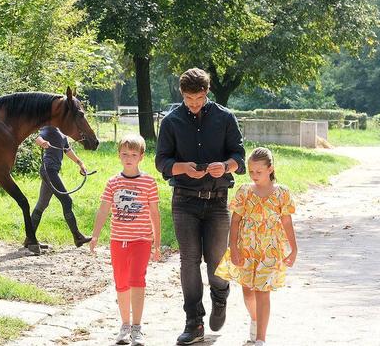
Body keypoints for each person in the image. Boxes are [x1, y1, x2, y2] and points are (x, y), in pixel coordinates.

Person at [155, 67, 246, 345]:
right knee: (189, 261)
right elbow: (162, 162)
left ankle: (220, 296)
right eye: (188, 99)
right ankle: (193, 322)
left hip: (218, 202)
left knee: (216, 263)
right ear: (182, 94)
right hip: (184, 202)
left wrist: (225, 166)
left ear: (206, 93)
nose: (193, 105)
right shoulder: (170, 122)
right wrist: (182, 167)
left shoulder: (225, 118)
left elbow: (239, 158)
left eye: (198, 99)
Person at [215, 147, 297, 346]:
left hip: (269, 249)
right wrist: (233, 248)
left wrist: (293, 249)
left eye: (258, 172)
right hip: (247, 248)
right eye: (251, 171)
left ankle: (261, 338)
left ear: (270, 169)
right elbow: (235, 221)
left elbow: (286, 222)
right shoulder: (244, 191)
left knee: (263, 291)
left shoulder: (282, 193)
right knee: (248, 292)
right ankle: (255, 319)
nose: (254, 176)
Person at [90, 134, 162, 346]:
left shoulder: (149, 182)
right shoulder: (113, 182)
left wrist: (156, 242)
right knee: (121, 283)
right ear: (119, 155)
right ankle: (125, 325)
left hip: (141, 240)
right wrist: (95, 234)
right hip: (117, 240)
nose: (128, 158)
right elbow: (103, 209)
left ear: (141, 156)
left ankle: (137, 328)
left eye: (133, 154)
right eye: (124, 154)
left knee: (137, 280)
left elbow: (154, 213)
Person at [30, 125, 91, 248]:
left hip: (51, 171)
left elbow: (67, 150)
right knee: (67, 201)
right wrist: (42, 142)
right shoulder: (49, 129)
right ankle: (78, 237)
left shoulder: (61, 132)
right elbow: (37, 138)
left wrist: (80, 163)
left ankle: (29, 238)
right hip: (49, 170)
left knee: (42, 204)